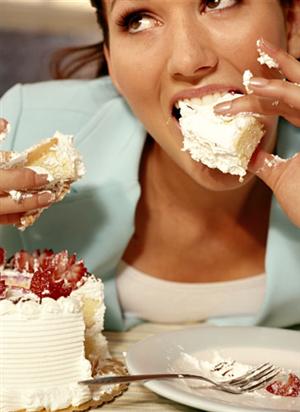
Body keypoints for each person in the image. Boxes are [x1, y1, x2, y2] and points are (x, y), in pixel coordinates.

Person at [0, 0, 300, 331]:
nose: (189, 59)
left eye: (218, 2)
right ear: (112, 62)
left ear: (292, 22)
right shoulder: (21, 135)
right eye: (139, 21)